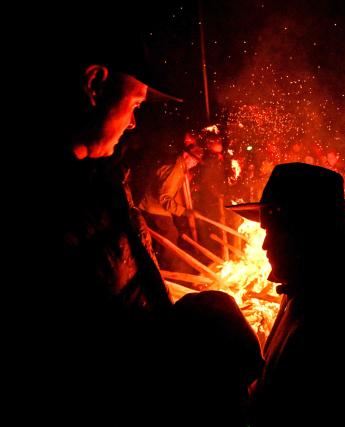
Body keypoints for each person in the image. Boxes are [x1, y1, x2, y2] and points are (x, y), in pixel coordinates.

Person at [51, 10, 264, 424]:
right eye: (135, 104)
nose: (133, 123)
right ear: (94, 84)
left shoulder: (100, 180)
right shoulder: (61, 202)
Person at [227, 163, 345, 427]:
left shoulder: (334, 307)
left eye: (275, 231)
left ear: (306, 233)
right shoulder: (315, 275)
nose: (265, 244)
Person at [138, 132, 204, 271]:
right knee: (169, 237)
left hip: (151, 206)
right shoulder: (176, 169)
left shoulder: (178, 166)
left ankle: (164, 265)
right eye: (193, 160)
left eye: (196, 162)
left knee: (166, 238)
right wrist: (184, 211)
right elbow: (164, 198)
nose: (194, 164)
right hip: (153, 208)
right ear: (186, 156)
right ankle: (172, 271)